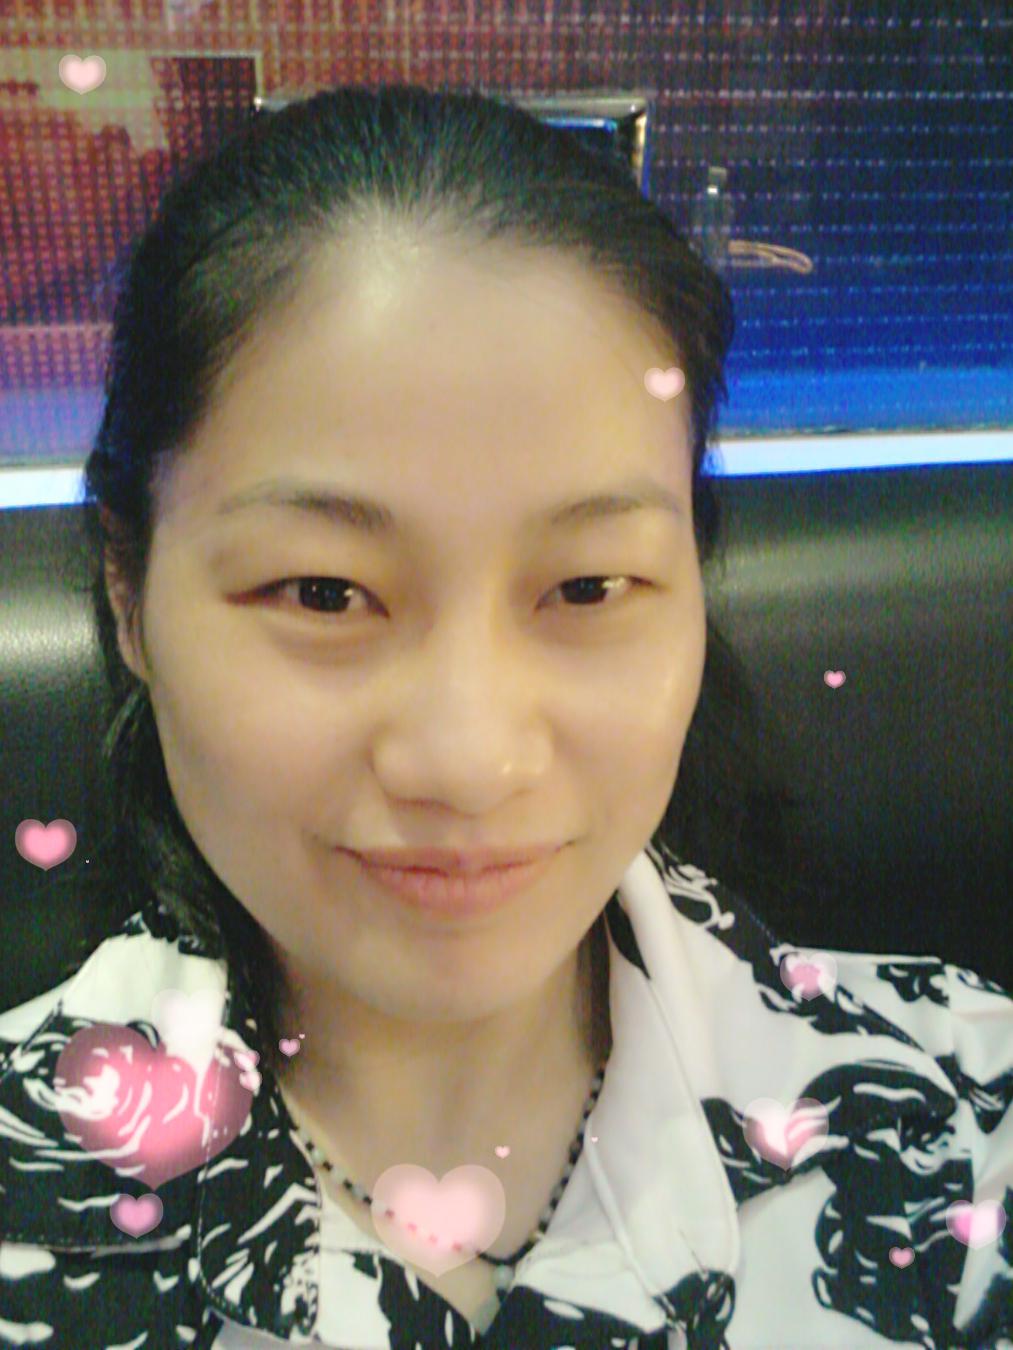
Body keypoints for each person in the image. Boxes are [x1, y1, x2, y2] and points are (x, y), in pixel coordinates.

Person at [1, 83, 1010, 1350]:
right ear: (129, 597)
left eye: (586, 588)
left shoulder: (957, 1125)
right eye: (323, 592)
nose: (469, 761)